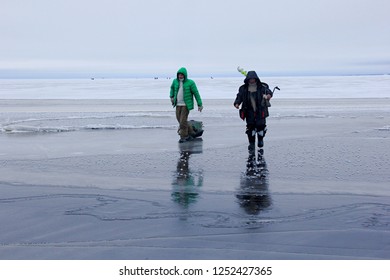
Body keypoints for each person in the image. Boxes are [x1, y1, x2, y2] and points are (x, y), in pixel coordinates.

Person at [234, 71, 273, 152]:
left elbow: (269, 92)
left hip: (260, 110)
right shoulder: (243, 88)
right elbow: (239, 96)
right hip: (248, 110)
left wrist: (268, 96)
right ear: (247, 79)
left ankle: (260, 140)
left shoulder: (262, 87)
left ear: (256, 79)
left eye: (253, 79)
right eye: (250, 79)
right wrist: (237, 103)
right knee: (250, 127)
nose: (251, 80)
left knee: (260, 126)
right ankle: (251, 144)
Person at [170, 67, 203, 143]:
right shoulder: (175, 81)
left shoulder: (190, 83)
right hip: (178, 104)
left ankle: (184, 136)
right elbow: (171, 88)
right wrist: (171, 96)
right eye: (179, 75)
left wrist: (199, 104)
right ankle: (191, 131)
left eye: (182, 75)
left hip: (186, 105)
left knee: (182, 121)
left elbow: (196, 93)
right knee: (180, 120)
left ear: (185, 75)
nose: (180, 76)